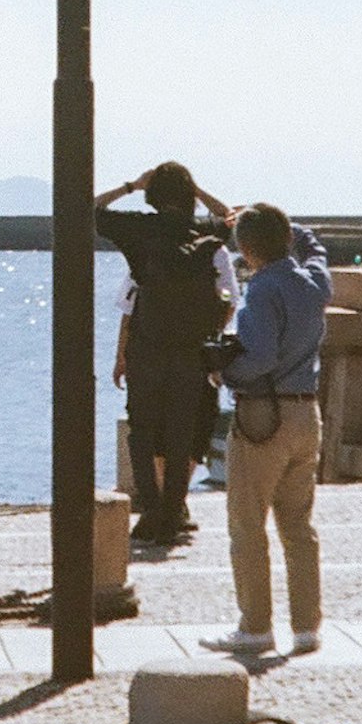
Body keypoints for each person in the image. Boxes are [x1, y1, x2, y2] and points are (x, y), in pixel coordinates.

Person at [204, 202, 329, 657]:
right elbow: (313, 243)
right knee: (298, 525)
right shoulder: (315, 281)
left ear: (246, 250)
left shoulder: (261, 289)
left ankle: (256, 626)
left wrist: (224, 374)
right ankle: (306, 626)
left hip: (264, 414)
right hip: (306, 412)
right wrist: (284, 226)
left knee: (247, 522)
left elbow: (259, 357)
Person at [101, 163, 234, 552]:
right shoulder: (205, 234)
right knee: (180, 433)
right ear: (188, 196)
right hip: (191, 351)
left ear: (152, 195)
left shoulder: (139, 231)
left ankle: (154, 510)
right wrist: (199, 189)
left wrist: (130, 184)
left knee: (142, 433)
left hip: (148, 349)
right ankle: (172, 514)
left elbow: (88, 210)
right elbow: (230, 216)